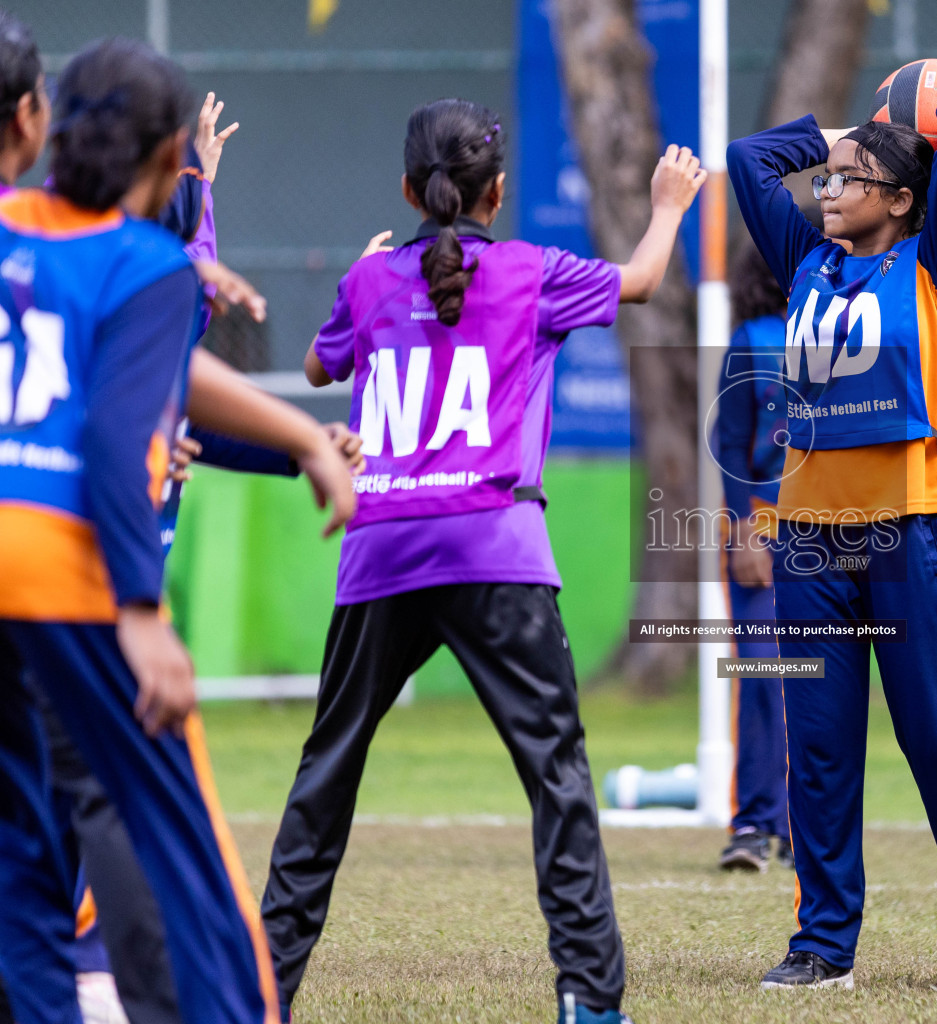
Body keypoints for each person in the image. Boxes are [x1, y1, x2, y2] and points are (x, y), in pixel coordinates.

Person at [260, 98, 705, 1024]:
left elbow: (313, 369)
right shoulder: (532, 272)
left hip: (382, 548)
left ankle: (259, 989)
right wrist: (667, 206)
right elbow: (645, 282)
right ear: (497, 192)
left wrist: (360, 275)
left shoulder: (372, 281)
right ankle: (588, 997)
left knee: (327, 773)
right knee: (555, 773)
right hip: (495, 544)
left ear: (407, 189)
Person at [0, 37, 357, 1024]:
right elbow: (122, 439)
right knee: (176, 848)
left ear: (48, 126)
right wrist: (145, 612)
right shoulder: (148, 267)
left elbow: (149, 375)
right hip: (64, 585)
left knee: (22, 865)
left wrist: (292, 434)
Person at [726, 98, 937, 991]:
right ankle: (823, 946)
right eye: (826, 179)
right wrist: (829, 138)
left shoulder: (936, 267)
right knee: (818, 748)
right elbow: (751, 160)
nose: (827, 190)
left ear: (901, 198)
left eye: (849, 179)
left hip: (907, 532)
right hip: (808, 546)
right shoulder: (805, 263)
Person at [713, 242, 791, 872]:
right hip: (762, 521)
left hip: (834, 522)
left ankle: (806, 825)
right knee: (764, 674)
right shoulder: (754, 340)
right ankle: (753, 825)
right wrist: (745, 530)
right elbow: (731, 442)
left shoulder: (852, 331)